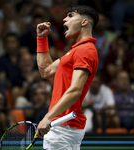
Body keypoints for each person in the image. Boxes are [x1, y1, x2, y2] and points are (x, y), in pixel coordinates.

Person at [35, 5, 99, 149]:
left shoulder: (85, 50)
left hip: (62, 126)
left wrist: (48, 117)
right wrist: (41, 39)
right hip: (65, 125)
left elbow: (76, 89)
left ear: (84, 22)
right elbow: (46, 70)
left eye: (70, 16)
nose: (64, 19)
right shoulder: (76, 51)